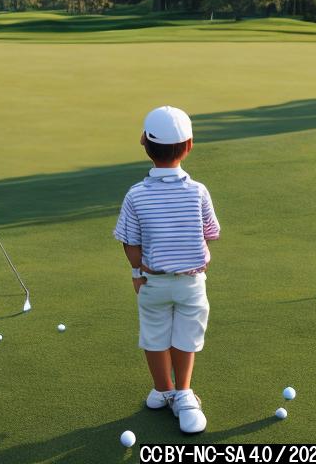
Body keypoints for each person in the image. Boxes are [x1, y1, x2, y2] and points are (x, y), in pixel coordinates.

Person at [113, 106, 221, 435]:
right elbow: (211, 232)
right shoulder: (198, 191)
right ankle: (183, 392)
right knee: (186, 336)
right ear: (188, 146)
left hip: (152, 283)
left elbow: (130, 242)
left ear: (144, 144)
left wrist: (136, 273)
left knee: (155, 336)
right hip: (191, 282)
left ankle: (164, 390)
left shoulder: (136, 194)